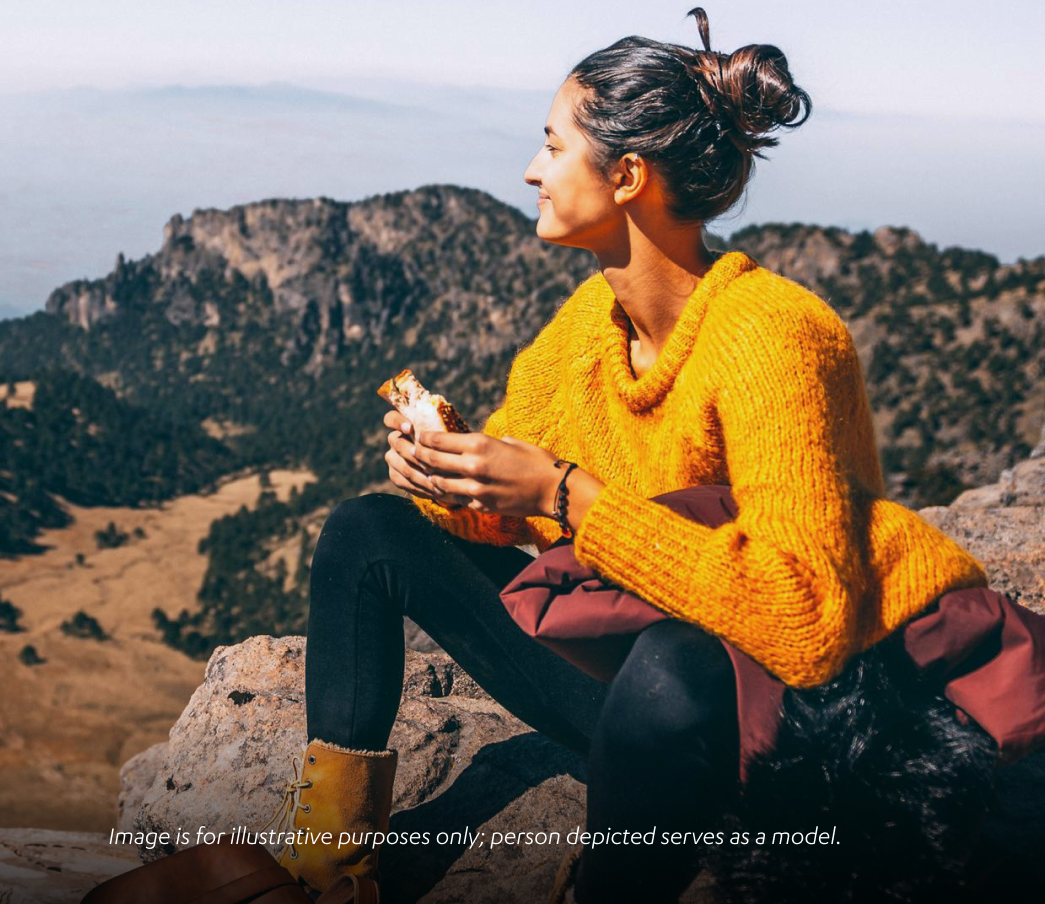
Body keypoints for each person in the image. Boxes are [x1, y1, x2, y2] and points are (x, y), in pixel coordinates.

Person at [269, 8, 1006, 902]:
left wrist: (568, 493)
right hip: (627, 694)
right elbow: (505, 506)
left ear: (625, 175)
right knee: (366, 532)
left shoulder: (776, 337)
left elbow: (804, 623)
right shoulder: (591, 327)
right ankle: (328, 875)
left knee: (672, 663)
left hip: (774, 728)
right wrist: (442, 472)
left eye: (551, 146)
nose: (532, 170)